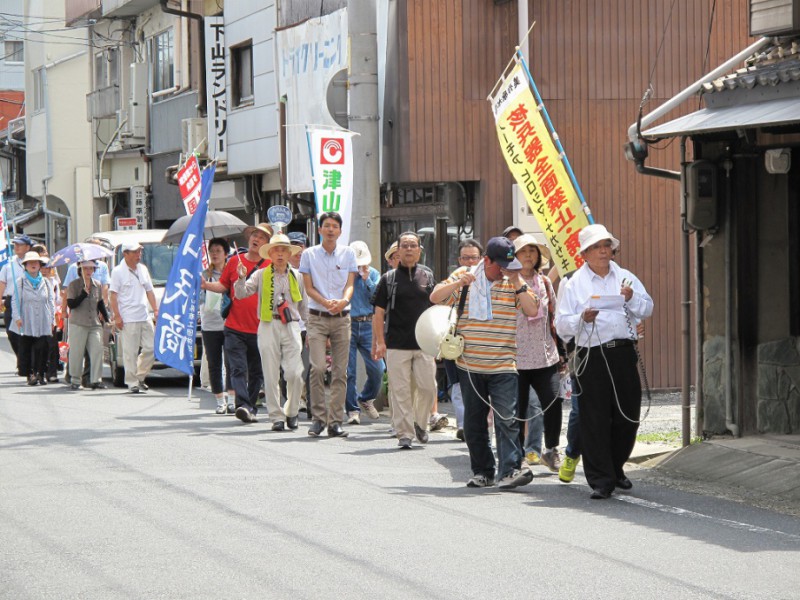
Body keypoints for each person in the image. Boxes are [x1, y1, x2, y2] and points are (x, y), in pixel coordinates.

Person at [430, 237, 538, 489]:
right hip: (469, 364)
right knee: (474, 422)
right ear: (485, 259)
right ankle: (483, 471)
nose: (503, 269)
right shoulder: (465, 274)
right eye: (498, 264)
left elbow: (532, 311)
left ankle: (510, 470)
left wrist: (517, 280)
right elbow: (435, 297)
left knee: (507, 418)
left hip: (503, 363)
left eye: (508, 264)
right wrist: (459, 282)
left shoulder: (513, 281)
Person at [555, 224, 653, 499]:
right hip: (591, 354)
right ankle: (601, 479)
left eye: (607, 246)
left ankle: (615, 466)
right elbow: (561, 324)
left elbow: (648, 308)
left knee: (628, 414)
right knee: (594, 417)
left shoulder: (625, 277)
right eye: (597, 247)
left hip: (622, 351)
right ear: (584, 254)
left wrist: (632, 299)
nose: (603, 251)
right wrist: (581, 319)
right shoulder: (573, 283)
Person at [235, 233, 308, 430]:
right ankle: (276, 416)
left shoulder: (297, 276)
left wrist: (311, 330)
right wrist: (241, 278)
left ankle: (291, 411)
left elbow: (304, 307)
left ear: (289, 253)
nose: (280, 254)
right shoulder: (261, 274)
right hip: (268, 324)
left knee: (294, 372)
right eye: (276, 250)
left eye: (284, 250)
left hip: (292, 324)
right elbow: (241, 293)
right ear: (270, 254)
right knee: (270, 372)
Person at [372, 232, 437, 449]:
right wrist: (380, 342)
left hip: (424, 344)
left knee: (428, 387)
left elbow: (435, 307)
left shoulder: (427, 276)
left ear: (419, 250)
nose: (409, 249)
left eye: (413, 245)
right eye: (405, 246)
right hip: (397, 344)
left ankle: (420, 423)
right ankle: (405, 433)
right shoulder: (387, 279)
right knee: (399, 392)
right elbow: (378, 313)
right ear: (397, 251)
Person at [202, 224, 272, 423]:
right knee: (237, 368)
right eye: (254, 235)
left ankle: (250, 406)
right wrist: (206, 285)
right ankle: (242, 405)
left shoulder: (269, 265)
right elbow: (223, 285)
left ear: (267, 244)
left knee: (256, 371)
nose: (256, 239)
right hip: (234, 327)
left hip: (260, 327)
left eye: (261, 237)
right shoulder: (234, 262)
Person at [299, 211, 357, 438]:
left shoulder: (348, 253)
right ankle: (318, 419)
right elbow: (309, 287)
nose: (331, 229)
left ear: (340, 231)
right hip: (317, 316)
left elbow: (350, 284)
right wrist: (326, 302)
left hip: (342, 317)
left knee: (341, 371)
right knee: (318, 368)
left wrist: (343, 301)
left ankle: (335, 421)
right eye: (327, 226)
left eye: (335, 226)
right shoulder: (309, 254)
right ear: (320, 229)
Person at [512, 234, 567, 472]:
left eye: (532, 252)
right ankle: (516, 454)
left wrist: (562, 350)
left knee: (554, 400)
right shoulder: (507, 283)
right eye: (523, 252)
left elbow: (553, 317)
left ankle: (550, 449)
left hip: (545, 354)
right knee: (518, 408)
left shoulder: (544, 282)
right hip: (516, 356)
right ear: (514, 257)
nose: (528, 256)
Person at [444, 238, 483, 441]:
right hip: (457, 340)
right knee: (458, 383)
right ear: (459, 259)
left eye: (474, 258)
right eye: (465, 258)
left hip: (484, 344)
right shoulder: (455, 277)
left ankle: (479, 427)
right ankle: (463, 425)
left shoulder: (489, 278)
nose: (469, 262)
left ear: (482, 258)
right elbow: (437, 299)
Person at [109, 241, 159, 393]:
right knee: (130, 352)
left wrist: (156, 310)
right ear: (126, 254)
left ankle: (140, 376)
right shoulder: (118, 271)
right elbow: (113, 295)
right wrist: (117, 316)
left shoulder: (143, 269)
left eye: (139, 251)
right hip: (128, 316)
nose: (139, 254)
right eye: (135, 252)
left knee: (151, 348)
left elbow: (149, 290)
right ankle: (133, 383)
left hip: (144, 314)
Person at [345, 240, 383, 425]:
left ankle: (366, 397)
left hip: (369, 324)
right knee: (348, 371)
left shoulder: (374, 273)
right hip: (348, 323)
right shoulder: (344, 274)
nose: (361, 265)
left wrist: (367, 280)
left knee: (378, 369)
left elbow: (379, 298)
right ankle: (352, 410)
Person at [201, 238, 234, 414]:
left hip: (230, 323)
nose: (214, 254)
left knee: (231, 363)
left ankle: (232, 400)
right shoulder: (204, 275)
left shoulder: (233, 272)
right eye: (212, 250)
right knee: (214, 363)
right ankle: (220, 401)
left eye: (218, 250)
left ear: (226, 254)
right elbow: (198, 298)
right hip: (210, 323)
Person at [12, 251, 56, 386]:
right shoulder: (20, 282)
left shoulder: (46, 282)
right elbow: (15, 301)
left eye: (35, 262)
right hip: (27, 318)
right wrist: (17, 317)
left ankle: (41, 374)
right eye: (30, 262)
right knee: (28, 348)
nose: (33, 265)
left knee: (42, 348)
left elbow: (50, 301)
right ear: (25, 265)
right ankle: (30, 374)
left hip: (43, 317)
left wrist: (52, 319)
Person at [66, 260, 110, 390]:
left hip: (94, 323)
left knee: (97, 350)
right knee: (77, 352)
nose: (89, 271)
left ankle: (96, 379)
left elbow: (100, 304)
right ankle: (75, 379)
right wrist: (82, 295)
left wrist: (107, 319)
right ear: (80, 270)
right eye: (86, 269)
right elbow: (71, 304)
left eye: (91, 268)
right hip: (78, 322)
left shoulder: (97, 284)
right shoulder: (74, 285)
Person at [0, 234, 33, 369]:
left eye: (20, 244)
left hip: (29, 301)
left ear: (27, 247)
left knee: (28, 333)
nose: (16, 247)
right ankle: (22, 358)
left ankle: (28, 364)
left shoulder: (33, 263)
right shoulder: (9, 264)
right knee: (11, 333)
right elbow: (2, 283)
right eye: (15, 244)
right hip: (11, 301)